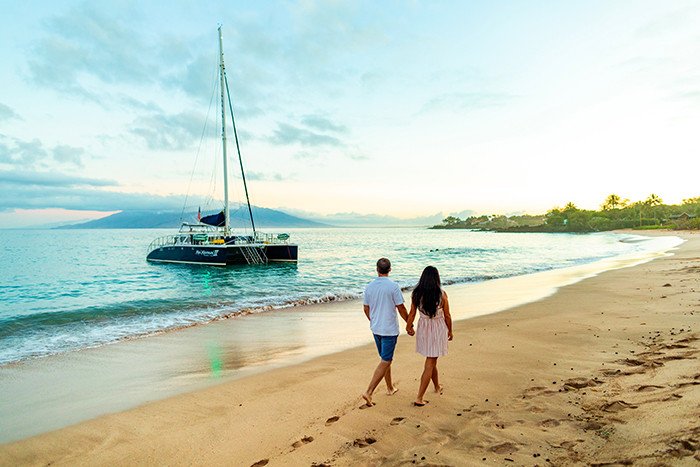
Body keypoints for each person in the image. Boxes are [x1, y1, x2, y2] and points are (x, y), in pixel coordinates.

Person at [361, 257, 409, 407]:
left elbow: (366, 308)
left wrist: (373, 320)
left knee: (384, 358)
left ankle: (389, 388)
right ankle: (369, 392)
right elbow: (401, 308)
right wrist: (409, 323)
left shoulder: (369, 287)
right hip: (389, 329)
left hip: (376, 328)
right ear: (389, 269)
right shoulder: (393, 286)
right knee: (386, 360)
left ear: (377, 269)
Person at [406, 266, 453, 406]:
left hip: (424, 329)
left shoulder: (416, 294)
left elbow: (412, 313)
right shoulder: (441, 294)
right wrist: (450, 330)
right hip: (437, 329)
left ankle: (437, 386)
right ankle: (419, 397)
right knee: (430, 361)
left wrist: (409, 326)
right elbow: (447, 315)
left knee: (432, 359)